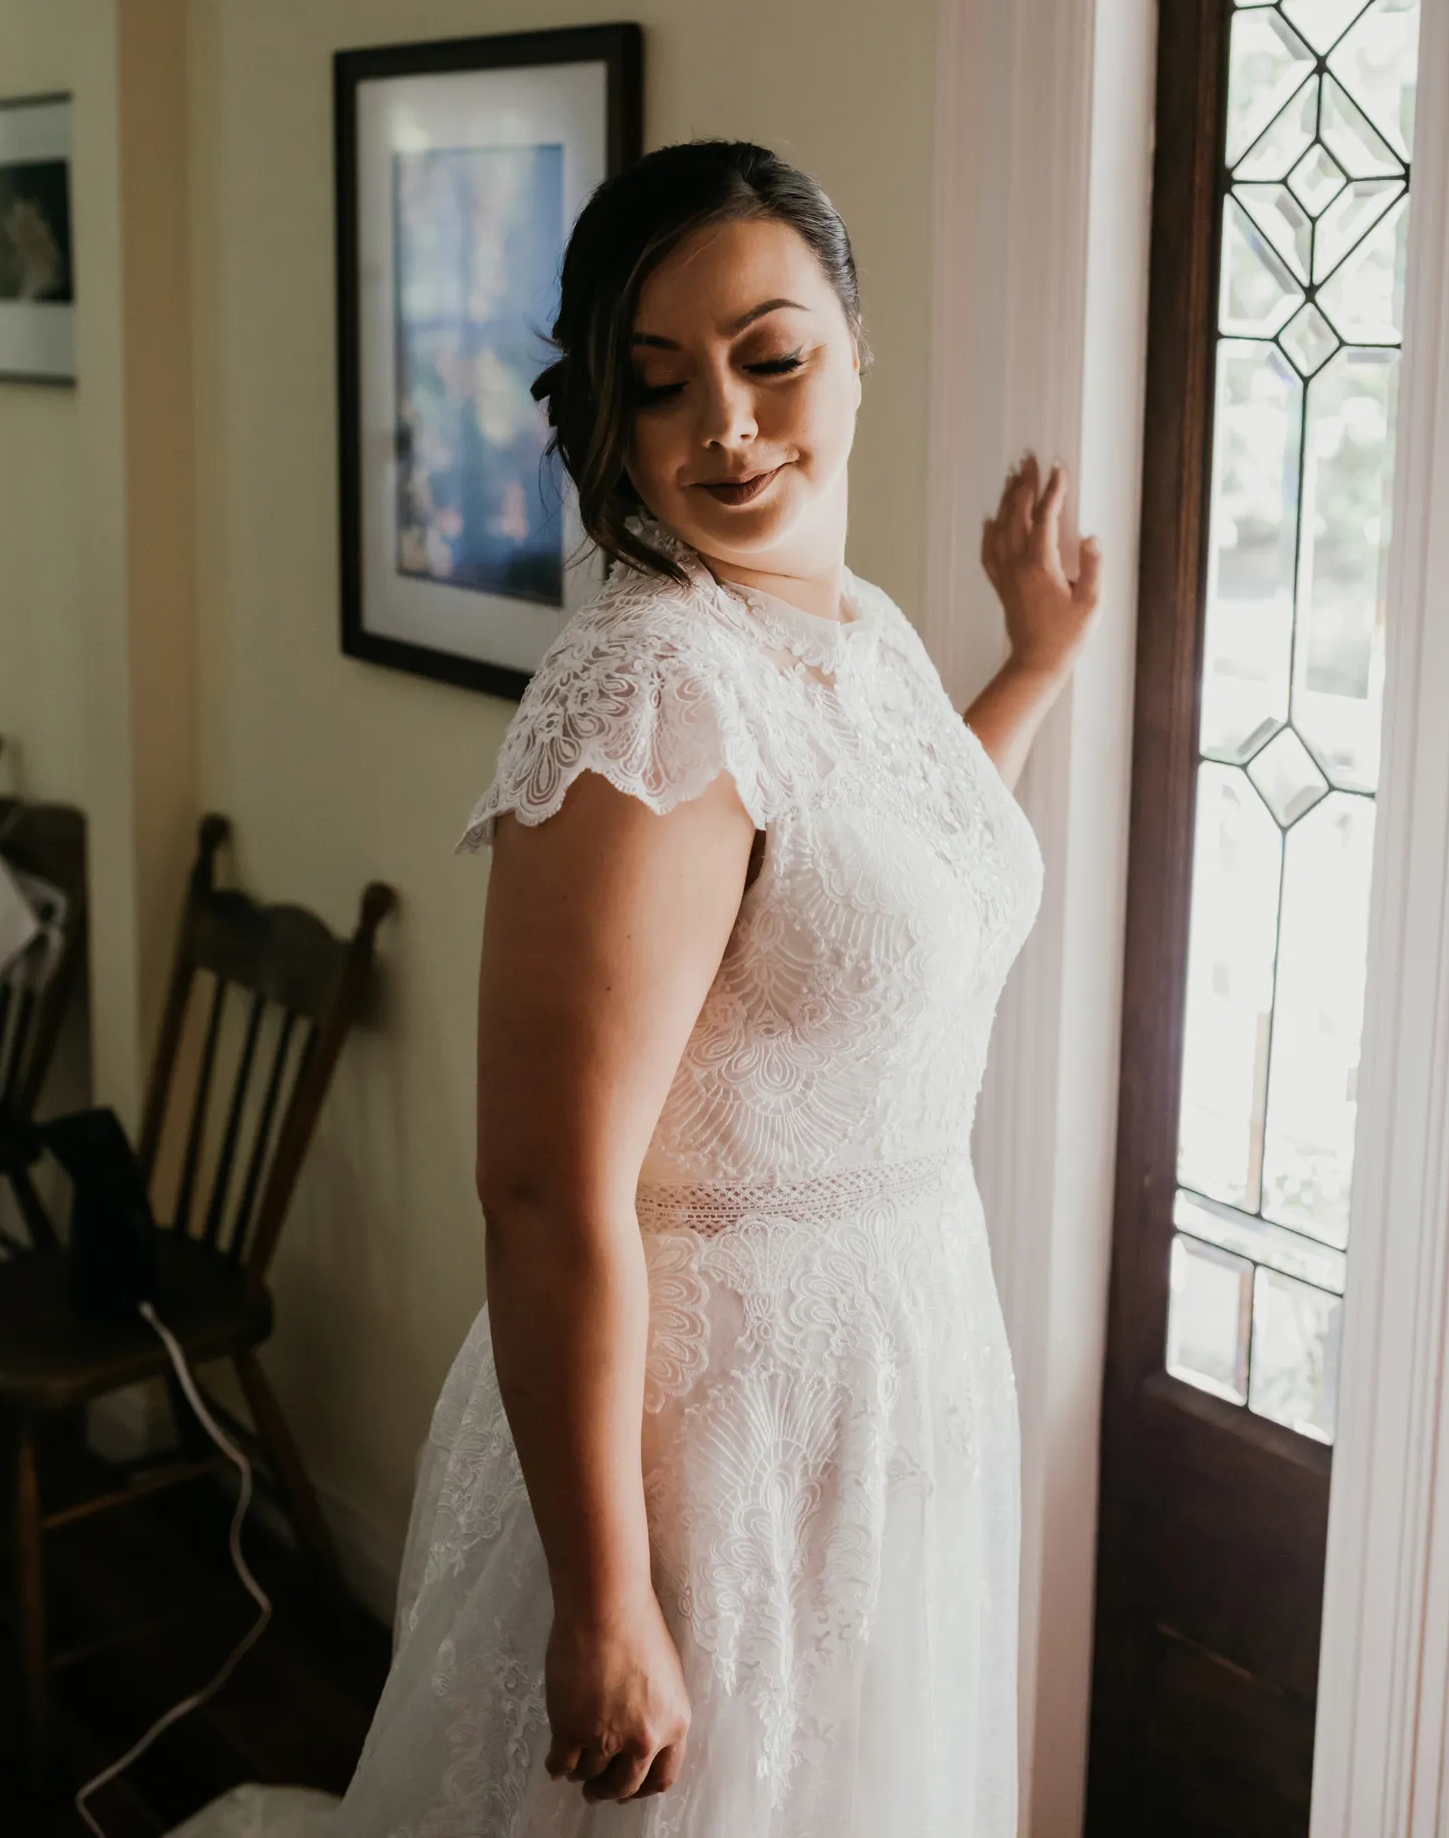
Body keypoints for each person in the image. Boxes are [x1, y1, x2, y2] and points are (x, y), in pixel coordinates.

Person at [334, 140, 1101, 1836]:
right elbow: (543, 1190)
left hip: (892, 1372)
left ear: (853, 345)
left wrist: (1030, 667)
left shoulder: (851, 629)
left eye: (773, 358)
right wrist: (608, 1603)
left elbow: (866, 877)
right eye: (661, 383)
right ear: (608, 417)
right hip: (718, 1440)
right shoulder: (654, 691)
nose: (730, 430)